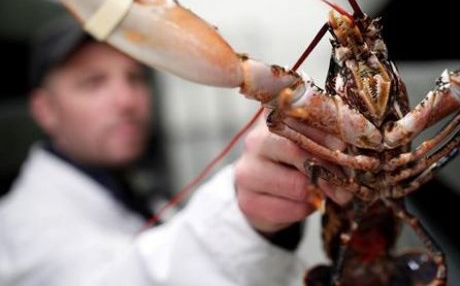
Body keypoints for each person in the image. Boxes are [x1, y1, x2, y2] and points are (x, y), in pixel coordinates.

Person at [0, 15, 349, 285]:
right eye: (93, 82)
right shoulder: (24, 227)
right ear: (45, 109)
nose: (127, 100)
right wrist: (244, 214)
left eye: (135, 78)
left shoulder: (126, 187)